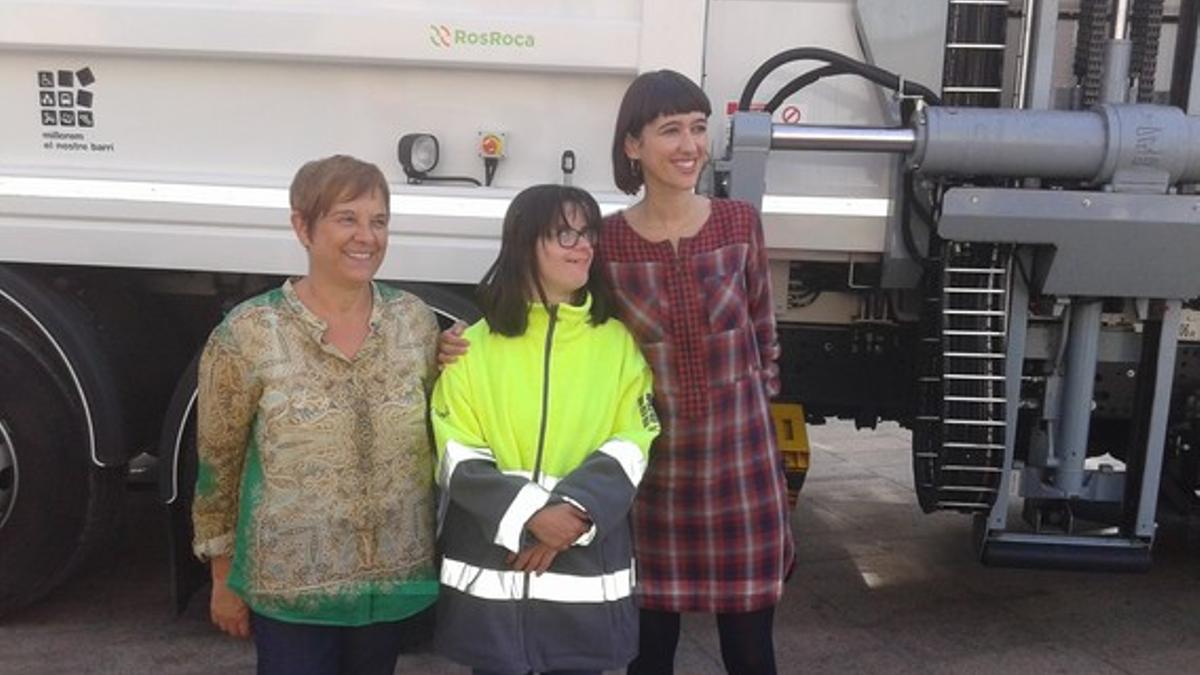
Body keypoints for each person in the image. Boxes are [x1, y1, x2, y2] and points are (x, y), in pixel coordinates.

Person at [441, 70, 793, 675]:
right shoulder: (611, 242)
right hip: (651, 482)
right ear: (633, 146)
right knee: (647, 651)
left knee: (751, 648)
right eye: (670, 131)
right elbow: (555, 311)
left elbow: (764, 336)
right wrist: (453, 342)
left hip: (742, 469)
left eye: (699, 129)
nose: (689, 146)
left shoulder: (739, 225)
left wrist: (757, 409)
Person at [191, 155, 440, 675]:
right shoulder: (249, 334)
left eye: (378, 221)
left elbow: (448, 428)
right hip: (291, 590)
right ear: (302, 226)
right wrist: (221, 578)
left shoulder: (415, 324)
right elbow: (218, 464)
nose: (366, 237)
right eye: (346, 218)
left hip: (389, 584)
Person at [430, 184, 660, 675]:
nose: (584, 246)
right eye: (564, 234)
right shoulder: (473, 347)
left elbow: (634, 442)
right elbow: (456, 451)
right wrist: (533, 513)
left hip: (582, 575)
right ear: (523, 243)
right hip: (495, 577)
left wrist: (570, 516)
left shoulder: (618, 345)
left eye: (588, 234)